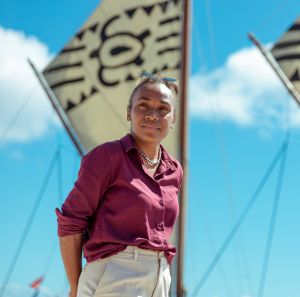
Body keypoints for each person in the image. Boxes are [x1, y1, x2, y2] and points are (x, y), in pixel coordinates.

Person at [56, 71, 183, 297]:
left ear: (173, 119)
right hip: (114, 274)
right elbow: (70, 225)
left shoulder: (174, 170)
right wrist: (75, 289)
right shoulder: (107, 156)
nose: (153, 115)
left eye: (163, 109)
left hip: (160, 277)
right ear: (129, 112)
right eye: (143, 105)